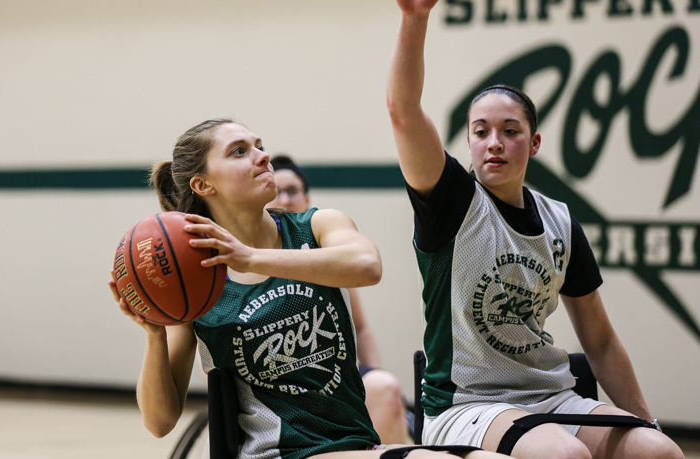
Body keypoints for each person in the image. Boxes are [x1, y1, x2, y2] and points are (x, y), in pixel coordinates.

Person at [386, 1, 685, 458]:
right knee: (564, 455)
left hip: (548, 395)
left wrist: (649, 422)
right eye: (481, 131)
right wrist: (415, 18)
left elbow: (600, 339)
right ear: (467, 141)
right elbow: (403, 111)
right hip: (467, 404)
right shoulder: (451, 202)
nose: (495, 143)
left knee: (658, 452)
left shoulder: (560, 221)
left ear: (535, 142)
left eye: (510, 130)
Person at [110, 118, 506, 459]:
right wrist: (153, 333)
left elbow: (367, 266)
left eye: (259, 146)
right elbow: (160, 422)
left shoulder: (317, 226)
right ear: (202, 184)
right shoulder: (199, 283)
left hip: (355, 446)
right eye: (238, 151)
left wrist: (250, 258)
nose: (262, 156)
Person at [267, 154, 414, 445]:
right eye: (276, 192)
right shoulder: (247, 261)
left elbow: (360, 327)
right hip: (283, 386)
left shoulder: (326, 251)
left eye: (292, 191)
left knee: (385, 389)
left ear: (306, 198)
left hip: (340, 374)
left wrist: (375, 375)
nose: (284, 199)